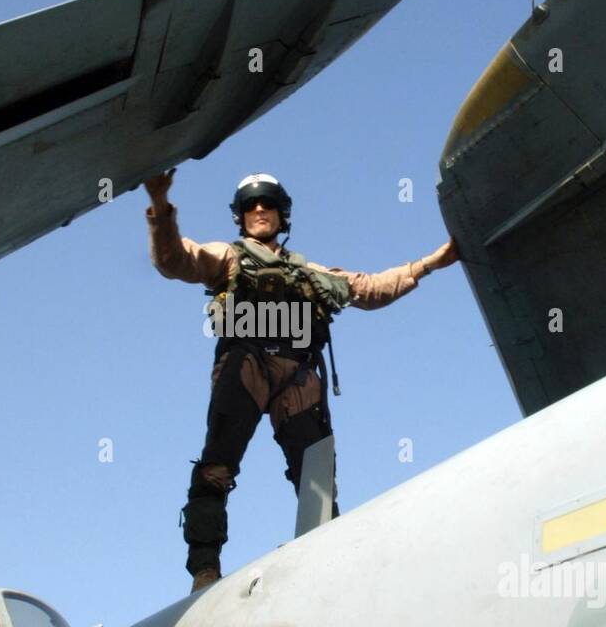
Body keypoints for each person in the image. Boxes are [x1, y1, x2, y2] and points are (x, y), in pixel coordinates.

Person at [144, 168, 459, 593]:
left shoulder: (309, 273)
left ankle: (330, 555)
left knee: (315, 475)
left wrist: (429, 264)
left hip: (298, 372)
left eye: (268, 203)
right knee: (216, 467)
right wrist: (161, 207)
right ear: (239, 215)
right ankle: (205, 569)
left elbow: (369, 289)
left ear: (281, 213)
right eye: (251, 204)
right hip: (247, 360)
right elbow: (175, 260)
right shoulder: (229, 256)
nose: (259, 209)